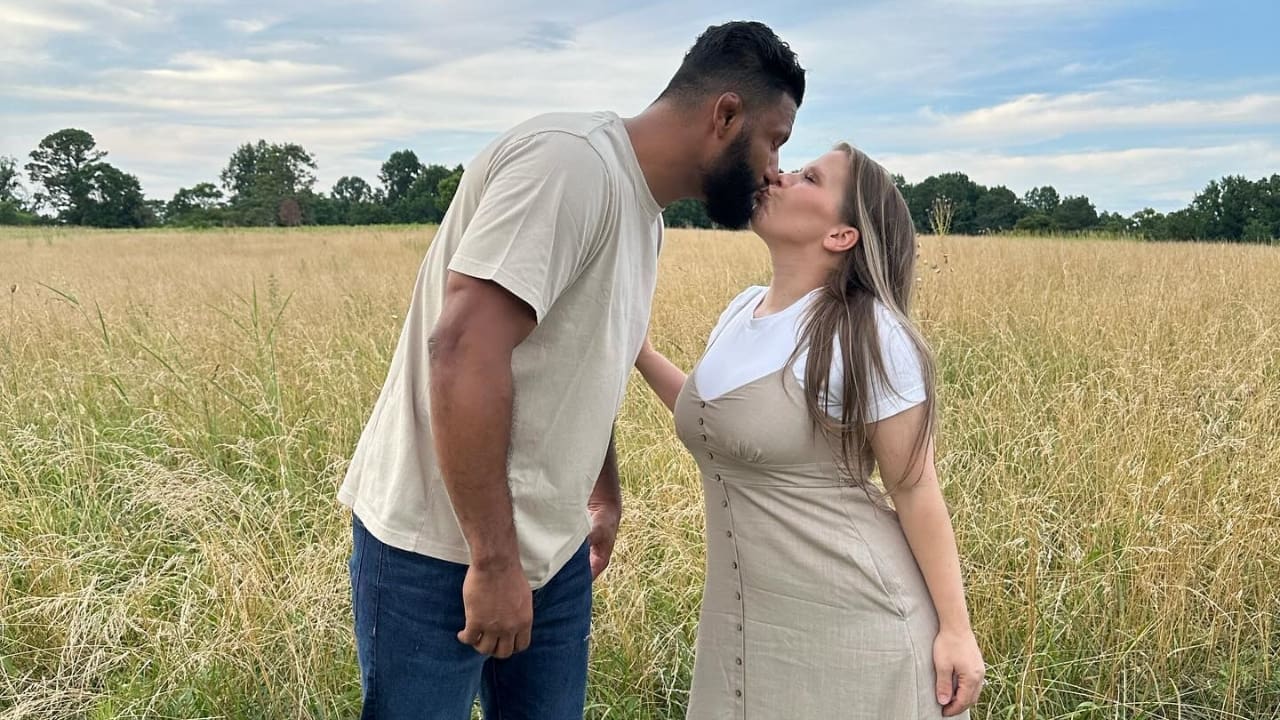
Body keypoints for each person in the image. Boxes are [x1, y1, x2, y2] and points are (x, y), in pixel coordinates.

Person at [337, 21, 806, 720]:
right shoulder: (570, 165)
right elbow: (463, 350)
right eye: (776, 140)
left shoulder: (644, 214)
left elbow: (586, 361)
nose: (774, 169)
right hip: (437, 551)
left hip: (552, 557)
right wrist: (493, 562)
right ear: (726, 115)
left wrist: (603, 494)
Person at [635, 144, 986, 719]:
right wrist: (640, 352)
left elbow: (915, 486)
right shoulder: (742, 310)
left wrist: (956, 631)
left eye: (808, 177)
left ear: (841, 235)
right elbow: (722, 426)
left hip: (860, 625)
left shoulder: (868, 330)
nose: (778, 174)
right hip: (749, 625)